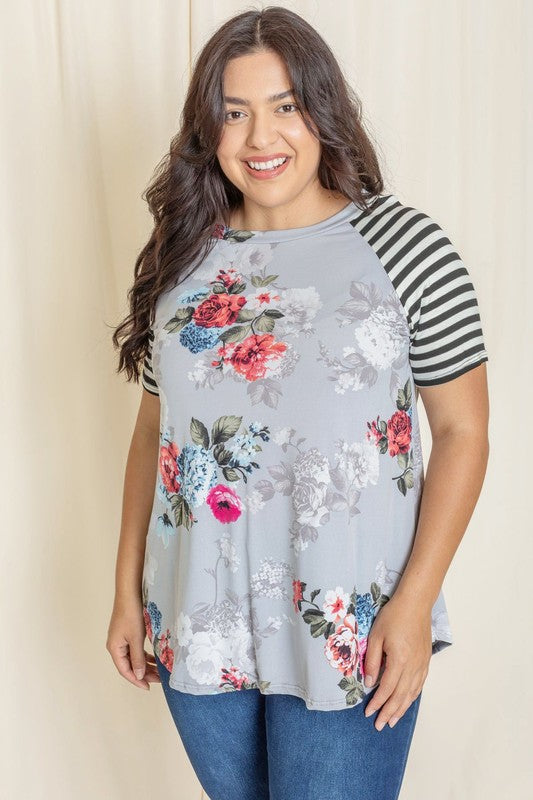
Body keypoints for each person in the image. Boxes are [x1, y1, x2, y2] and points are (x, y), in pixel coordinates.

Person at [106, 7, 490, 800]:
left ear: (324, 110)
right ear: (206, 129)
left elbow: (462, 431)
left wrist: (412, 606)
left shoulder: (405, 246)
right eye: (233, 113)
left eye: (284, 106)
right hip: (196, 624)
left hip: (346, 630)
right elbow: (155, 432)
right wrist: (125, 593)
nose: (260, 138)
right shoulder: (182, 260)